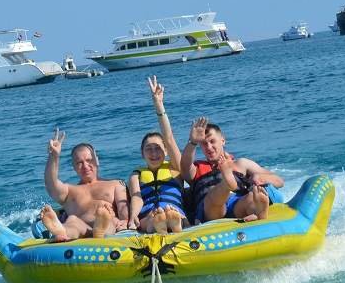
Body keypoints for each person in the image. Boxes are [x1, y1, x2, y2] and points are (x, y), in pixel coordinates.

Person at [179, 117, 284, 223]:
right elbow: (184, 165)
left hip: (235, 202)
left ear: (223, 141)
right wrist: (192, 142)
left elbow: (279, 181)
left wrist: (260, 177)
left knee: (250, 198)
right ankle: (226, 184)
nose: (209, 147)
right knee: (213, 198)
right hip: (211, 210)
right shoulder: (196, 168)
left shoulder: (240, 163)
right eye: (204, 144)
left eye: (212, 141)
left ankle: (257, 210)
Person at [39, 129, 128, 242]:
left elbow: (123, 206)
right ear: (74, 166)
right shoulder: (69, 190)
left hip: (108, 224)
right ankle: (61, 231)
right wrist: (54, 156)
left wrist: (125, 220)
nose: (85, 166)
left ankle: (99, 230)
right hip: (81, 227)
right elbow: (51, 184)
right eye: (79, 163)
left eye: (89, 160)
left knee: (109, 219)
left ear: (96, 161)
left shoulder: (115, 184)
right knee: (72, 220)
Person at [126, 76, 187, 234]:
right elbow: (137, 197)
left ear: (166, 150)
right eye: (149, 149)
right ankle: (161, 225)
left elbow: (169, 137)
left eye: (158, 148)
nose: (153, 153)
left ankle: (173, 224)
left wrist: (159, 106)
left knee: (172, 214)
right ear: (142, 153)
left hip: (175, 211)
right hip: (150, 216)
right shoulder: (136, 175)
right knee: (152, 219)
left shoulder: (175, 167)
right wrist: (133, 217)